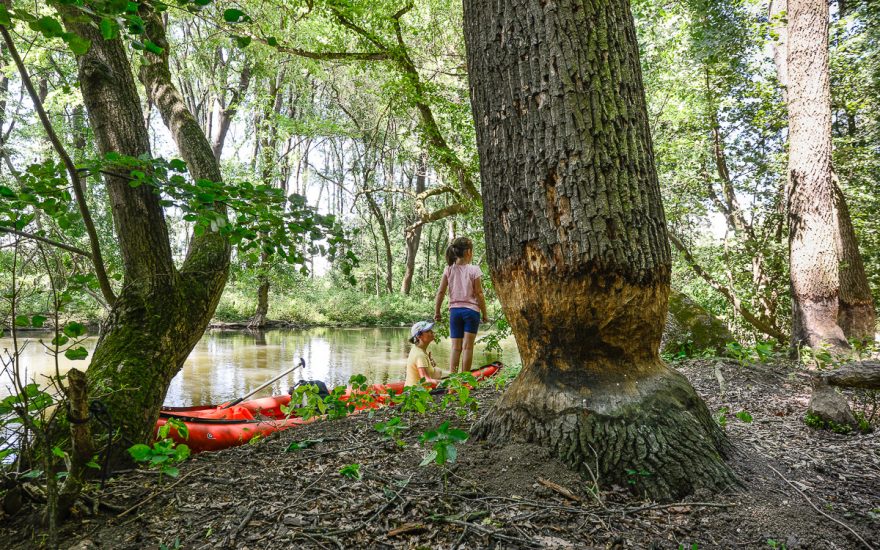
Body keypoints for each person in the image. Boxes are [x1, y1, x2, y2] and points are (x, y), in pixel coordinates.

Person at [434, 237, 488, 374]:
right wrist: (485, 314)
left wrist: (437, 312)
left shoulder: (448, 269)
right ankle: (465, 379)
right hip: (471, 312)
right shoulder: (474, 270)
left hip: (455, 312)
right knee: (468, 347)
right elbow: (479, 293)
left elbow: (440, 292)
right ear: (469, 252)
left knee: (455, 347)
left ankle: (453, 378)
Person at [406, 320, 444, 387]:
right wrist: (446, 383)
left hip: (412, 387)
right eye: (427, 331)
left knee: (437, 371)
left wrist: (430, 364)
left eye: (431, 330)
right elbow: (426, 380)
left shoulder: (416, 348)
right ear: (419, 336)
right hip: (416, 391)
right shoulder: (420, 355)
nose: (432, 332)